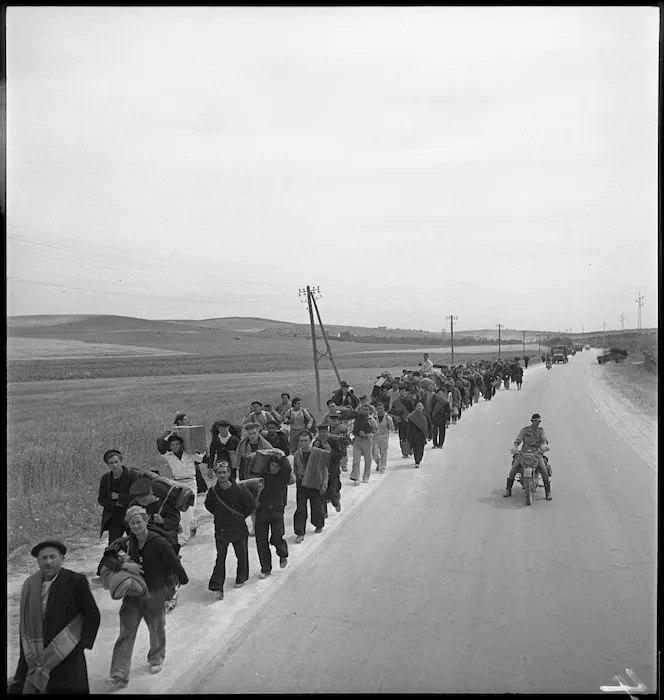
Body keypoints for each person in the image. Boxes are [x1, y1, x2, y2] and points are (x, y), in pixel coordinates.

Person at [103, 506, 189, 688]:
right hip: (132, 594)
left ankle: (156, 657)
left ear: (145, 521)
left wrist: (180, 582)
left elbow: (173, 562)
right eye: (132, 522)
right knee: (126, 632)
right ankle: (118, 674)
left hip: (155, 592)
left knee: (156, 628)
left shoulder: (159, 542)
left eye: (138, 521)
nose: (136, 525)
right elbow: (107, 559)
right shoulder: (125, 543)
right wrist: (125, 567)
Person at [9, 540, 100, 695]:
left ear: (62, 559)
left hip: (66, 653)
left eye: (53, 557)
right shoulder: (29, 585)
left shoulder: (76, 581)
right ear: (38, 561)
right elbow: (25, 624)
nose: (48, 562)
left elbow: (92, 614)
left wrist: (81, 644)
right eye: (43, 558)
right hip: (36, 652)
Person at [126, 478, 182, 612]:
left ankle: (170, 596)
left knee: (167, 570)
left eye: (144, 500)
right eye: (139, 501)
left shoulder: (166, 503)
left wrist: (163, 521)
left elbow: (175, 521)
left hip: (166, 541)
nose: (142, 504)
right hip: (145, 543)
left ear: (151, 493)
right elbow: (129, 521)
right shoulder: (135, 504)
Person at [205, 462, 258, 599]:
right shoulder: (213, 492)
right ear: (216, 474)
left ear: (229, 473)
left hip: (238, 528)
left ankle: (241, 577)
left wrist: (240, 516)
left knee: (242, 555)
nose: (222, 475)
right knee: (220, 558)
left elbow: (251, 505)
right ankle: (217, 586)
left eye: (224, 472)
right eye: (219, 472)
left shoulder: (240, 489)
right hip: (221, 529)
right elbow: (209, 506)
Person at [156, 432, 204, 546]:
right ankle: (190, 526)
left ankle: (183, 537)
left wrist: (202, 450)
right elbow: (160, 447)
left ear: (181, 444)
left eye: (177, 444)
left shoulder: (189, 454)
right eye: (172, 445)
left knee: (187, 510)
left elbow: (201, 458)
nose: (175, 447)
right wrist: (169, 435)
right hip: (177, 483)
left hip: (190, 482)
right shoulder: (169, 455)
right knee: (182, 510)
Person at [254, 453, 292, 577]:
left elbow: (287, 468)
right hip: (262, 511)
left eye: (276, 466)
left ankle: (282, 554)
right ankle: (265, 568)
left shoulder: (283, 478)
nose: (274, 468)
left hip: (276, 511)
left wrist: (282, 456)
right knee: (261, 541)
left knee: (277, 537)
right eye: (272, 465)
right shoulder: (262, 477)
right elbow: (256, 466)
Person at [235, 423, 272, 536]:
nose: (252, 436)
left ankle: (265, 526)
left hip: (262, 477)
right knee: (252, 503)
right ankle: (255, 527)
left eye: (254, 433)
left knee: (264, 503)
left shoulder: (266, 445)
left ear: (258, 433)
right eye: (250, 434)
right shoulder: (242, 446)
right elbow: (238, 463)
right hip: (248, 478)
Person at [503, 413, 552, 500]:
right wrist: (515, 446)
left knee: (544, 470)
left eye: (539, 421)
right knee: (513, 469)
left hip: (537, 453)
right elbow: (518, 439)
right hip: (524, 453)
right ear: (532, 421)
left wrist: (544, 446)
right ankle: (508, 489)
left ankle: (548, 492)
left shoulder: (541, 431)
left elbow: (544, 439)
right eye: (536, 421)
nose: (538, 423)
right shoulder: (525, 430)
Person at [292, 431, 329, 543]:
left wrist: (324, 484)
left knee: (317, 507)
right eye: (301, 441)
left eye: (305, 441)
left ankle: (318, 524)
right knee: (300, 510)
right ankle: (299, 532)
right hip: (302, 484)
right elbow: (295, 469)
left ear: (310, 441)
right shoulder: (297, 454)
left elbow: (324, 470)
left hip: (315, 483)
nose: (303, 443)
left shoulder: (317, 453)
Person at [98, 449, 140, 546]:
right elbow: (101, 499)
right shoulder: (106, 478)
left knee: (137, 541)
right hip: (115, 515)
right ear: (108, 465)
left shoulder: (133, 475)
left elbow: (138, 496)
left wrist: (119, 496)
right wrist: (115, 503)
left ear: (121, 461)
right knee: (113, 544)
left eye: (116, 462)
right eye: (111, 463)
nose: (114, 465)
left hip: (132, 513)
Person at [173, 412, 208, 494]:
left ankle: (200, 489)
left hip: (191, 452)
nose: (187, 421)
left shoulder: (189, 428)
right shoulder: (176, 430)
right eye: (185, 419)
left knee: (195, 469)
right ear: (179, 421)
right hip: (182, 453)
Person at [322, 415, 349, 512]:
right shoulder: (317, 442)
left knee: (333, 491)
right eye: (320, 433)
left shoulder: (334, 441)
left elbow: (339, 455)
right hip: (321, 471)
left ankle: (336, 502)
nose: (322, 435)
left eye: (324, 433)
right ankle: (323, 514)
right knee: (322, 494)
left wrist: (330, 450)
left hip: (333, 470)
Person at [350, 402, 378, 484]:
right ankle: (356, 477)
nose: (365, 411)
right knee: (356, 459)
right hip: (357, 441)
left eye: (367, 409)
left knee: (368, 459)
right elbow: (352, 429)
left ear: (369, 411)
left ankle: (366, 476)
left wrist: (366, 435)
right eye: (363, 409)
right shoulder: (356, 418)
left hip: (367, 442)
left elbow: (375, 431)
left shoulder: (371, 420)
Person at [389, 385, 414, 458]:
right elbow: (392, 412)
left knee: (408, 437)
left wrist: (410, 418)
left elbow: (412, 411)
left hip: (408, 421)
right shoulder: (395, 402)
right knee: (402, 437)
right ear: (399, 392)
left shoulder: (409, 401)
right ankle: (404, 452)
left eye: (404, 391)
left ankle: (410, 449)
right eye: (401, 391)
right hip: (400, 422)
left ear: (406, 392)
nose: (402, 393)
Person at [406, 401, 431, 467]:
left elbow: (429, 425)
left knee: (420, 449)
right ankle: (416, 461)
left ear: (423, 407)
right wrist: (407, 436)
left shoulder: (426, 415)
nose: (419, 407)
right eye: (418, 406)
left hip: (422, 435)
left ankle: (418, 460)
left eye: (421, 406)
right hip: (414, 435)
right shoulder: (412, 416)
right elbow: (409, 427)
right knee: (415, 448)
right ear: (415, 408)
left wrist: (430, 434)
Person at [372, 402, 395, 473]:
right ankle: (379, 463)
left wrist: (389, 428)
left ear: (384, 408)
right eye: (378, 408)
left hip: (384, 436)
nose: (380, 410)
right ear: (376, 409)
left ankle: (383, 467)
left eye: (381, 408)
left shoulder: (388, 417)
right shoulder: (372, 417)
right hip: (375, 436)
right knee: (374, 453)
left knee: (383, 452)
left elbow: (392, 428)